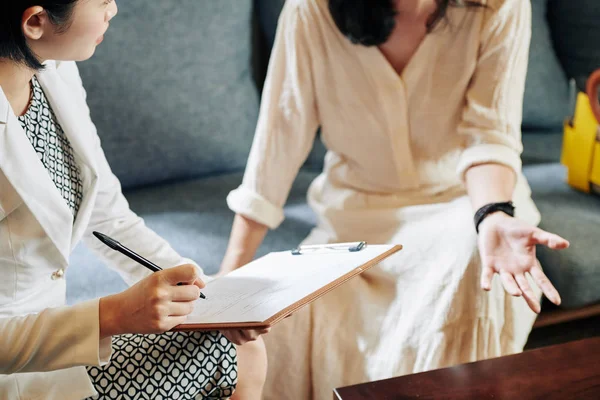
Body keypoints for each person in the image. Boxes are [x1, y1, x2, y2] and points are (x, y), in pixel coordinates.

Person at [219, 0, 571, 398]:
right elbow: (277, 141)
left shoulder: (499, 6)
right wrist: (230, 276)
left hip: (462, 205)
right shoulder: (310, 11)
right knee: (280, 329)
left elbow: (489, 134)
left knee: (476, 266)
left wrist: (492, 216)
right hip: (355, 220)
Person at [0, 1, 268, 399]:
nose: (115, 9)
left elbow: (106, 216)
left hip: (50, 349)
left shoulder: (52, 70)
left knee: (239, 347)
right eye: (102, 1)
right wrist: (114, 315)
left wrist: (208, 296)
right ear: (36, 22)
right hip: (15, 368)